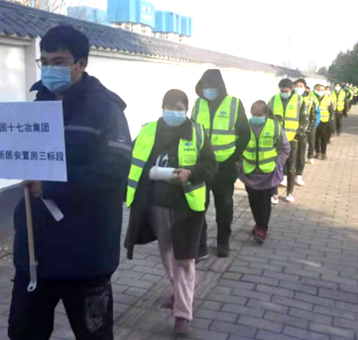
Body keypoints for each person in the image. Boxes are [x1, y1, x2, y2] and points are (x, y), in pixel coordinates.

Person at [10, 25, 132, 340]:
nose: (50, 69)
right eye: (45, 61)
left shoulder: (106, 110)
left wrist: (51, 185)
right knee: (23, 333)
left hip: (86, 256)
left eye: (59, 62)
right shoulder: (37, 106)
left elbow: (114, 174)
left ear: (81, 64)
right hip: (36, 254)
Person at [124, 90, 217, 335]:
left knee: (184, 259)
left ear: (186, 110)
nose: (174, 112)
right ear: (162, 107)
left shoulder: (197, 132)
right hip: (156, 206)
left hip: (187, 207)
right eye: (170, 107)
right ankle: (180, 293)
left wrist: (190, 172)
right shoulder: (148, 131)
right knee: (168, 257)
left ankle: (183, 314)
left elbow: (211, 165)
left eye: (180, 108)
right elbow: (129, 160)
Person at [191, 69, 250, 258]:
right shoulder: (198, 104)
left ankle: (223, 241)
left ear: (219, 86)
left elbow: (245, 134)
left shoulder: (234, 103)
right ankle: (200, 244)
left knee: (224, 206)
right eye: (204, 86)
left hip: (225, 166)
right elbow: (191, 131)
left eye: (211, 86)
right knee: (199, 205)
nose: (207, 90)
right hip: (202, 165)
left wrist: (235, 158)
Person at [239, 101, 290, 243]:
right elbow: (237, 146)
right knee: (253, 201)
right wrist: (240, 164)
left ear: (266, 114)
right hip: (249, 172)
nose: (256, 118)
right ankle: (258, 223)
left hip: (268, 172)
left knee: (264, 202)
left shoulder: (275, 127)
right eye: (254, 115)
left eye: (259, 115)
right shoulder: (244, 127)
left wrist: (277, 164)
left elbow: (285, 148)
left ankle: (262, 229)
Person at [268, 78, 308, 203]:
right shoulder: (273, 100)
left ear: (291, 89)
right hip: (276, 139)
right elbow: (268, 118)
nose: (284, 93)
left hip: (292, 140)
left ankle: (290, 193)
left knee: (291, 166)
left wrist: (297, 136)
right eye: (282, 91)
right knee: (275, 166)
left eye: (286, 91)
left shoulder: (300, 100)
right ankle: (274, 193)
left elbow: (304, 120)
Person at [314, 84, 334, 160]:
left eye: (322, 90)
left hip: (324, 121)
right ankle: (317, 152)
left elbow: (331, 111)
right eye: (319, 90)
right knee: (316, 138)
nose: (320, 91)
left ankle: (323, 153)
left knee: (324, 138)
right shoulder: (313, 98)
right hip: (315, 121)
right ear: (316, 90)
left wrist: (330, 121)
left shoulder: (327, 99)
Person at [304, 85, 318, 165]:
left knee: (311, 141)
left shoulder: (312, 99)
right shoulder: (297, 99)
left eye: (307, 90)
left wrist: (315, 123)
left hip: (311, 123)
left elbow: (317, 112)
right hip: (301, 124)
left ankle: (310, 156)